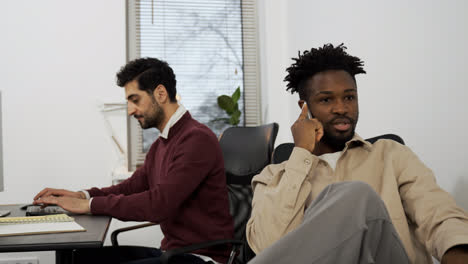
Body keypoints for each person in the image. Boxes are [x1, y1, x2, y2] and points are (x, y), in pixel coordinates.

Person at [246, 44, 468, 264]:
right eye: (326, 99)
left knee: (357, 195)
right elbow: (269, 247)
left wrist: (457, 252)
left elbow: (439, 214)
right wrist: (301, 154)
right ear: (304, 107)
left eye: (349, 97)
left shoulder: (391, 155)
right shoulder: (273, 177)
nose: (342, 108)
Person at [33, 57, 234, 264]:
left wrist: (89, 205)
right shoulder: (161, 144)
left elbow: (159, 204)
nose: (130, 110)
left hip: (201, 256)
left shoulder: (196, 139)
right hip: (173, 253)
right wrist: (83, 195)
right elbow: (132, 187)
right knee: (79, 258)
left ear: (161, 94)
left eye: (135, 100)